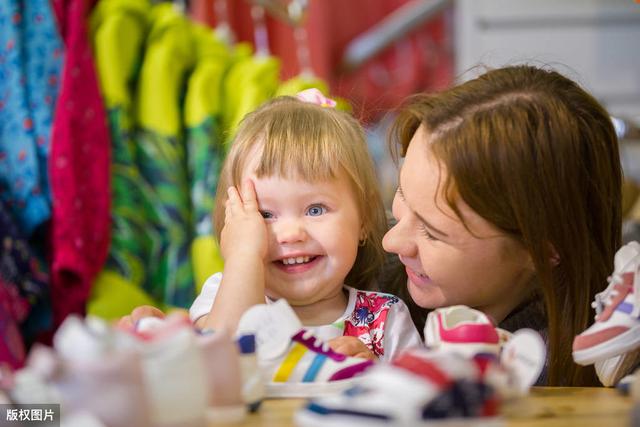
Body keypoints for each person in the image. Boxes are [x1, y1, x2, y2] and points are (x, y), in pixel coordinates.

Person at [122, 90, 422, 362]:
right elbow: (220, 361)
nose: (291, 234)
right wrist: (244, 256)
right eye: (264, 214)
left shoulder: (387, 319)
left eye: (315, 209)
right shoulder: (223, 295)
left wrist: (374, 374)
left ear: (364, 219)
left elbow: (425, 396)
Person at [380, 65, 622, 386]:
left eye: (432, 233)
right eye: (402, 193)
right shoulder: (359, 284)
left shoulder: (592, 367)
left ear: (541, 251)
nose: (391, 241)